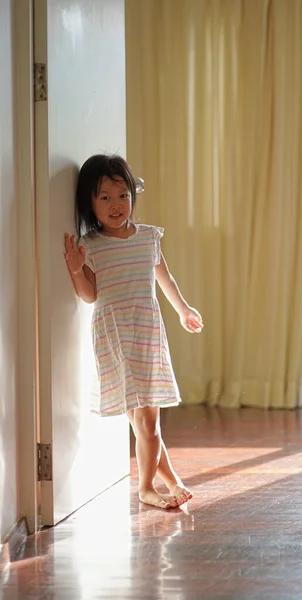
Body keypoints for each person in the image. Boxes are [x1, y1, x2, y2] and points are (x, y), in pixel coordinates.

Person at [64, 154, 203, 509]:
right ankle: (151, 488)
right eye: (105, 198)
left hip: (146, 333)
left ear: (132, 197)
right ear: (89, 203)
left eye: (122, 195)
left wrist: (184, 308)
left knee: (146, 422)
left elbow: (165, 278)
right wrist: (77, 269)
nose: (115, 205)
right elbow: (90, 295)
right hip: (113, 336)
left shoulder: (148, 238)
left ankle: (163, 484)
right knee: (144, 422)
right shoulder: (91, 245)